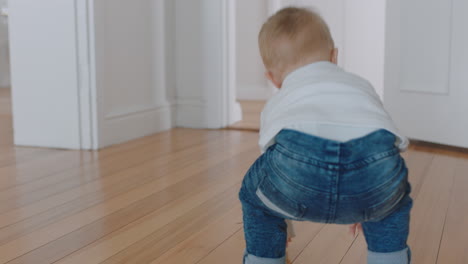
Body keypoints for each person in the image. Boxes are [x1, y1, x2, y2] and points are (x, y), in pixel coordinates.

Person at [238, 7, 413, 264]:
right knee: (393, 203)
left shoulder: (281, 99)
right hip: (374, 172)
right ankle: (389, 258)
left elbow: (274, 163)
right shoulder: (360, 85)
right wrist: (366, 201)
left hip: (297, 171)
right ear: (334, 56)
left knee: (254, 195)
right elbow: (384, 136)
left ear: (273, 78)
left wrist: (283, 215)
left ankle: (264, 260)